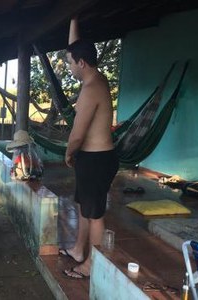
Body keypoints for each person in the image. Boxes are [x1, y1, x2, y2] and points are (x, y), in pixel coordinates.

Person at [62, 18, 119, 279]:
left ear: (81, 63)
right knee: (85, 208)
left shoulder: (90, 90)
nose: (69, 67)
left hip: (96, 160)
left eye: (70, 63)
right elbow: (75, 46)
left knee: (94, 215)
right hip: (95, 158)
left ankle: (92, 266)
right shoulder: (98, 79)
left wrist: (69, 152)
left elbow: (77, 133)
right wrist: (73, 17)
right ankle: (77, 249)